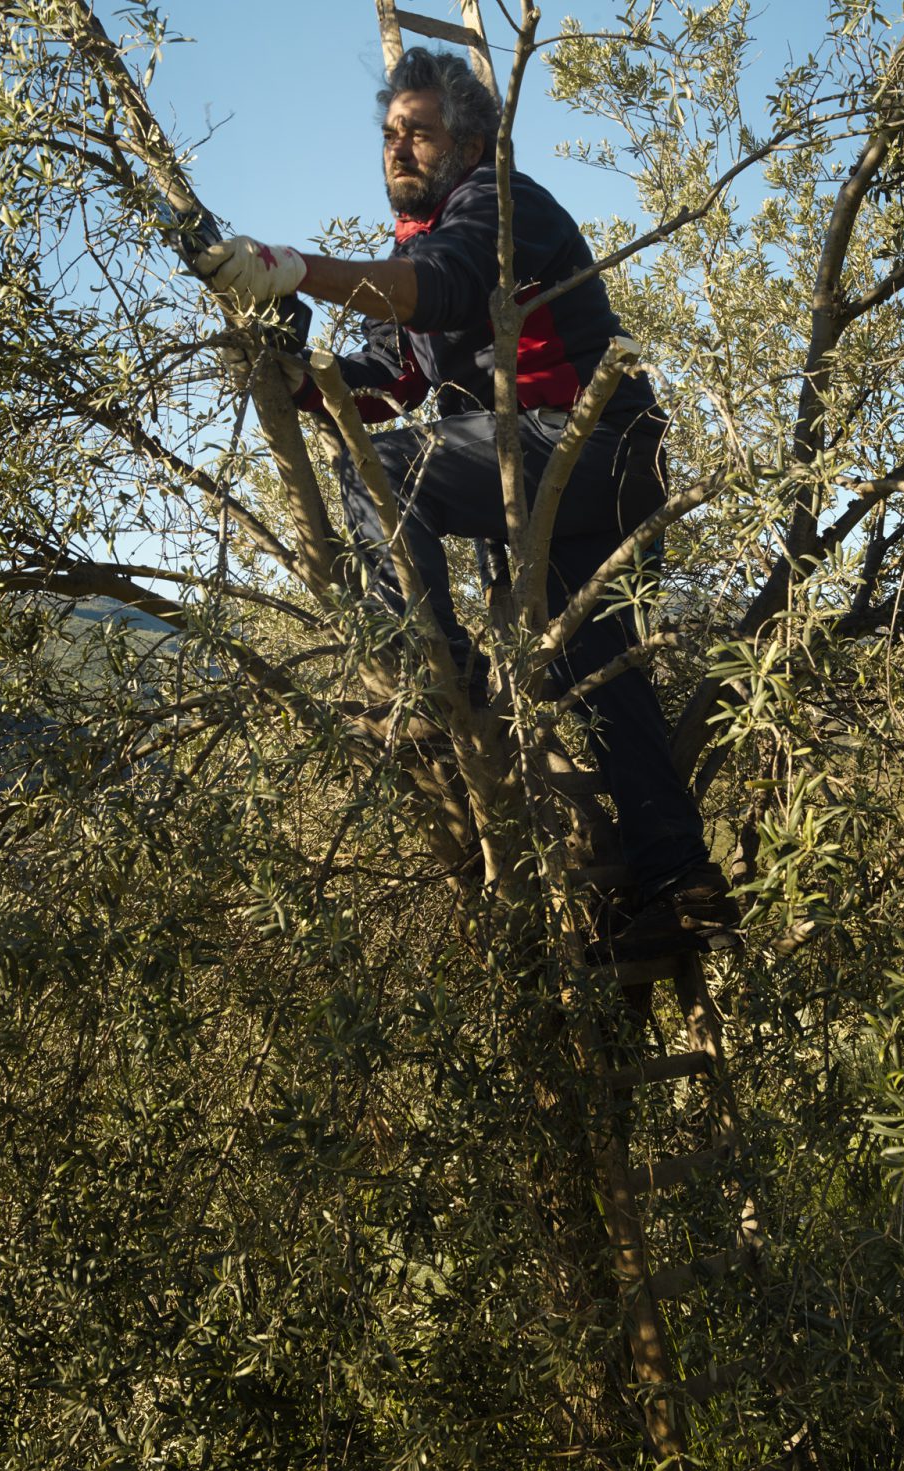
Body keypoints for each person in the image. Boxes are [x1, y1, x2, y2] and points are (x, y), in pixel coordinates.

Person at [194, 48, 735, 961]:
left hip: (593, 447)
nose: (399, 147)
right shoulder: (416, 246)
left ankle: (440, 676)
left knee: (387, 475)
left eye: (421, 132)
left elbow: (443, 289)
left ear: (472, 141)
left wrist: (291, 267)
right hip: (569, 479)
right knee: (592, 681)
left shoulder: (498, 205)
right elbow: (386, 382)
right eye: (390, 133)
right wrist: (293, 370)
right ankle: (683, 890)